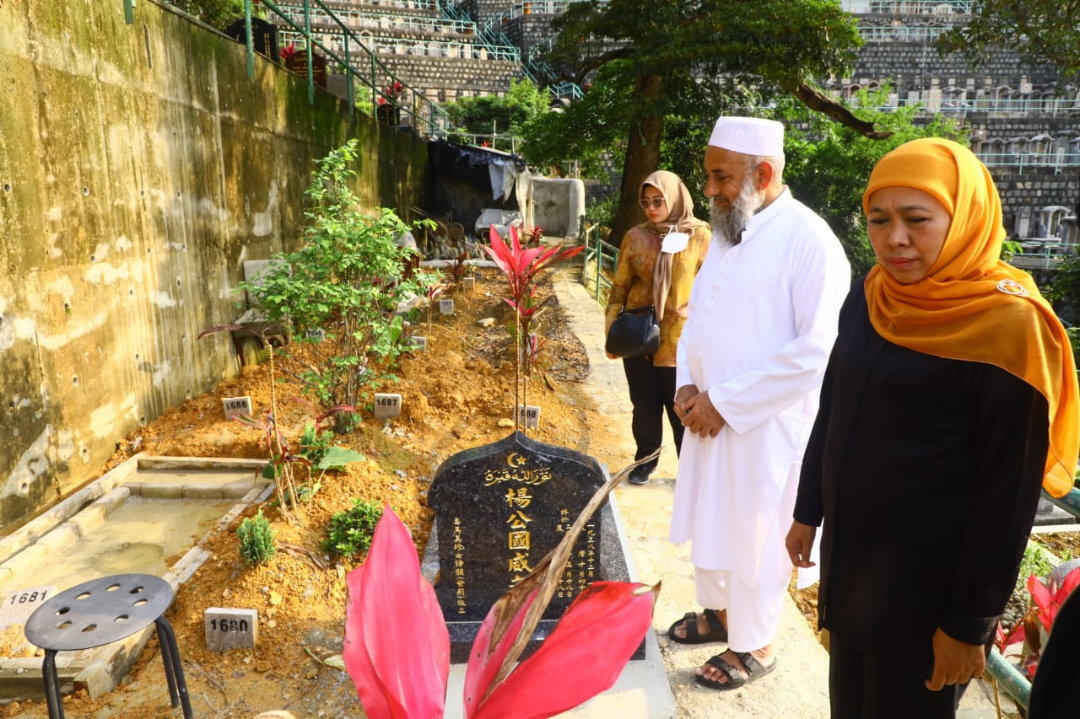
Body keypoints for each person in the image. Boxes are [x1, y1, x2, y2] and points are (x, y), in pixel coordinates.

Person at [785, 137, 1079, 718]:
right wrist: (808, 508)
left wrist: (969, 625)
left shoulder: (1008, 326)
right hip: (854, 568)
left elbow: (1007, 496)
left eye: (917, 220)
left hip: (930, 591)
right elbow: (835, 406)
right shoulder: (873, 297)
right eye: (878, 219)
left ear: (964, 217)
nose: (895, 238)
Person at [666, 117, 850, 691]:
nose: (711, 190)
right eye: (710, 177)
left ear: (763, 173)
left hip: (766, 426)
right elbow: (697, 317)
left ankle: (758, 641)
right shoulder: (726, 231)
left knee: (755, 530)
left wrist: (726, 403)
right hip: (708, 416)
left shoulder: (811, 241)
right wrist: (686, 385)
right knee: (713, 519)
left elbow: (816, 350)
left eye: (720, 178)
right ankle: (722, 614)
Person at [605, 170, 711, 485]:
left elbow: (713, 290)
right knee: (644, 405)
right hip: (639, 335)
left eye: (659, 201)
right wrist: (612, 334)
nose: (652, 208)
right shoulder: (635, 237)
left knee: (682, 409)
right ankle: (645, 462)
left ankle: (690, 470)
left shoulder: (700, 236)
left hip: (680, 339)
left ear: (675, 199)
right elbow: (619, 289)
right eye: (646, 202)